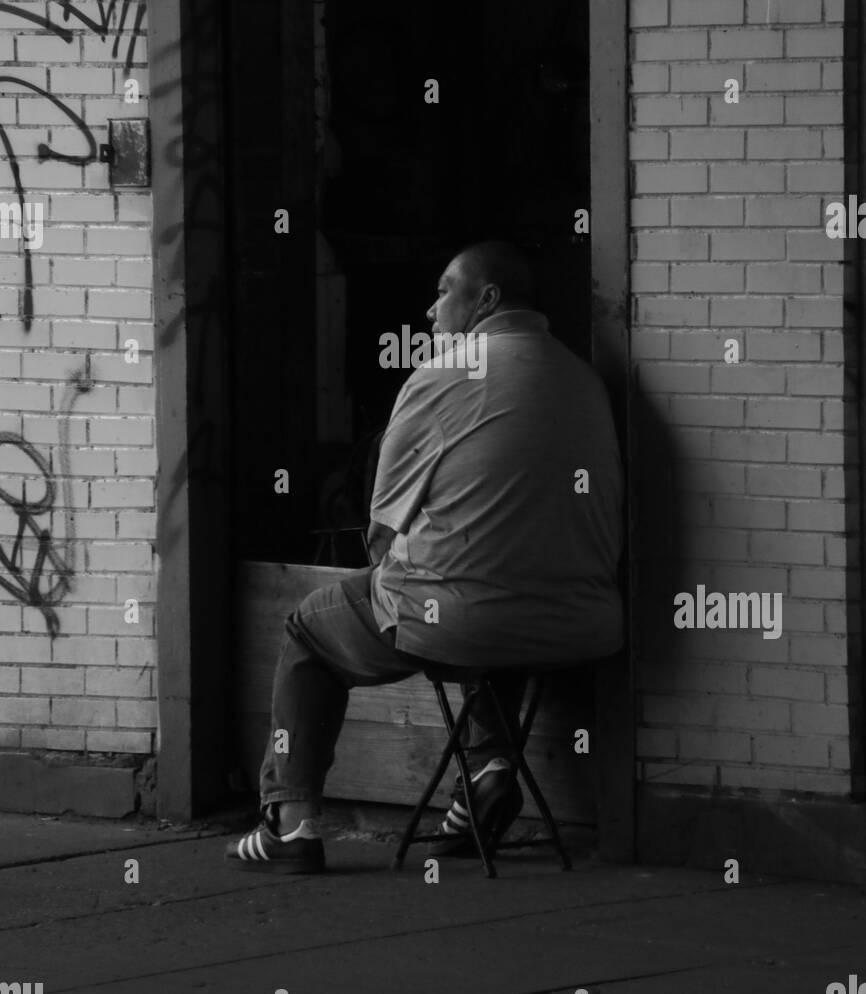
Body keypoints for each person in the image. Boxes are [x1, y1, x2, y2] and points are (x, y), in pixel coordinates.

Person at [226, 241, 624, 870]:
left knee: (310, 630)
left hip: (467, 622)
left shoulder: (442, 376)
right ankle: (487, 771)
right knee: (499, 592)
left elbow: (380, 534)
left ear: (485, 299)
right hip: (582, 621)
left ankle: (291, 823)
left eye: (444, 291)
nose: (431, 307)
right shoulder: (584, 378)